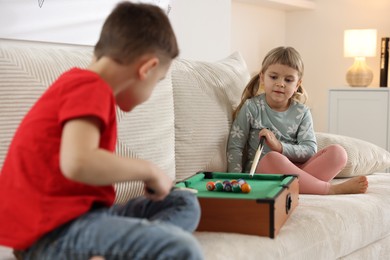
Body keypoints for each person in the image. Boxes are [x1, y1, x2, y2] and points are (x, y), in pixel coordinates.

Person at [0, 2, 203, 260]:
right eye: (158, 81)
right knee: (183, 248)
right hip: (54, 232)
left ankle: (118, 251)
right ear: (147, 68)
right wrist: (149, 170)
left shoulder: (82, 84)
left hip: (85, 217)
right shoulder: (89, 87)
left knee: (184, 203)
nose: (153, 91)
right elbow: (78, 163)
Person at [227, 46, 368, 195]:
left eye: (288, 80)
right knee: (273, 158)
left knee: (338, 153)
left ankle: (302, 184)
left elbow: (309, 150)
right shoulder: (252, 107)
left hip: (300, 170)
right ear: (262, 78)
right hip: (265, 173)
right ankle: (328, 189)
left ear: (297, 85)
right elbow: (235, 146)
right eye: (273, 77)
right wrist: (236, 179)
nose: (281, 83)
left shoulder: (302, 112)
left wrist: (280, 146)